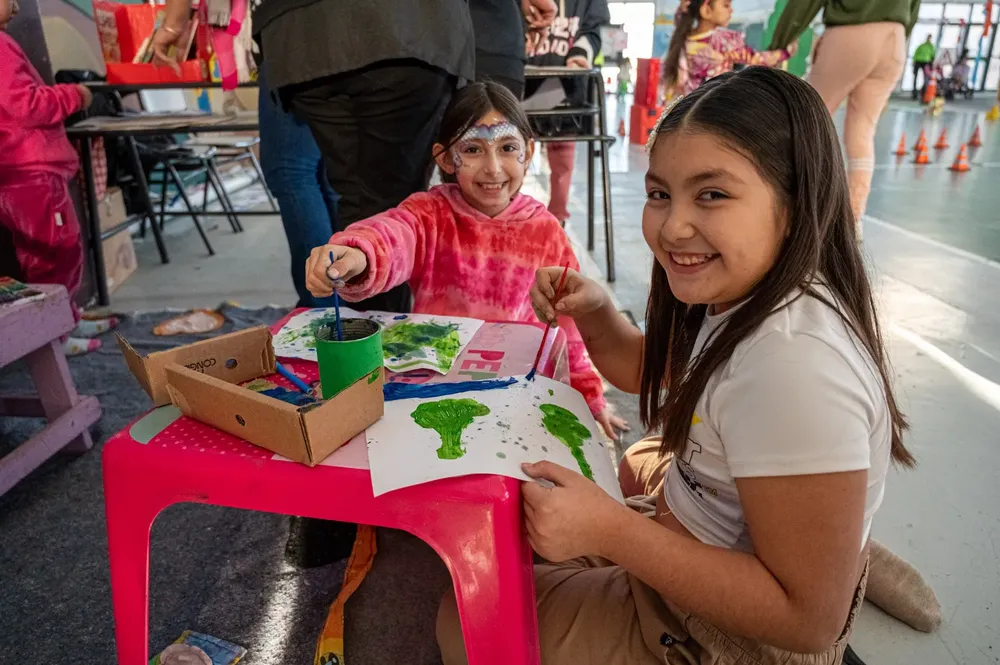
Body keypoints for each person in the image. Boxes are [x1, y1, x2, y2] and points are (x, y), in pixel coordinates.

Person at [437, 67, 913, 663]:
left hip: (721, 635)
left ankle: (832, 553)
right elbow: (645, 372)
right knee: (638, 458)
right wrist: (599, 313)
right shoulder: (742, 292)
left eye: (711, 193)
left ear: (795, 202)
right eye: (661, 193)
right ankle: (830, 538)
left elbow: (806, 622)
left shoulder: (794, 368)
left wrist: (611, 531)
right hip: (694, 520)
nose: (673, 225)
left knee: (466, 622)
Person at [305, 82, 625, 439]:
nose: (493, 168)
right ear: (444, 158)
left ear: (529, 152)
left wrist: (588, 395)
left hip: (514, 396)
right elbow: (394, 234)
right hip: (433, 392)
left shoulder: (546, 231)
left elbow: (568, 323)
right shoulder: (430, 213)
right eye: (473, 149)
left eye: (507, 148)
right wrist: (360, 254)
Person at [252, 0, 475, 313]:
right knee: (390, 209)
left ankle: (355, 333)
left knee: (357, 200)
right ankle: (378, 344)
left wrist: (177, 20)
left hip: (301, 36)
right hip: (409, 28)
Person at [151, 0, 339, 309]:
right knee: (328, 171)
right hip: (351, 33)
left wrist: (172, 25)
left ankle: (321, 311)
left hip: (294, 27)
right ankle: (349, 307)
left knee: (292, 170)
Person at [0, 0, 119, 356]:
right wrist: (76, 95)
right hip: (30, 170)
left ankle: (66, 319)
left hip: (25, 169)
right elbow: (26, 105)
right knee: (51, 256)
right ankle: (53, 336)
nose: (17, 7)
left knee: (60, 250)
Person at [769, 0, 917, 222]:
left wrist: (780, 42)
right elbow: (914, 8)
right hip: (895, 39)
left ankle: (796, 209)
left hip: (851, 33)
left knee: (806, 120)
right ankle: (852, 220)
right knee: (862, 131)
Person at [523, 0, 610, 226]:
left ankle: (557, 217)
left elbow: (594, 28)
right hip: (522, 79)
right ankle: (508, 209)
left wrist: (580, 54)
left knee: (563, 158)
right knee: (514, 151)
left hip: (566, 85)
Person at [661, 0, 795, 99]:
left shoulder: (683, 37)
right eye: (726, 5)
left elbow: (680, 17)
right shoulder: (725, 42)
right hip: (713, 105)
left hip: (685, 106)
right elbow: (757, 59)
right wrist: (784, 52)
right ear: (706, 10)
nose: (731, 11)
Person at [912, 35, 936, 99]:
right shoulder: (921, 46)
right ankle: (914, 93)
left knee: (926, 78)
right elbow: (916, 53)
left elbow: (932, 56)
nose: (929, 39)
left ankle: (923, 92)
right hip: (918, 61)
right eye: (928, 38)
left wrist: (931, 64)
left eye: (930, 38)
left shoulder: (931, 47)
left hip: (925, 62)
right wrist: (914, 61)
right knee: (915, 77)